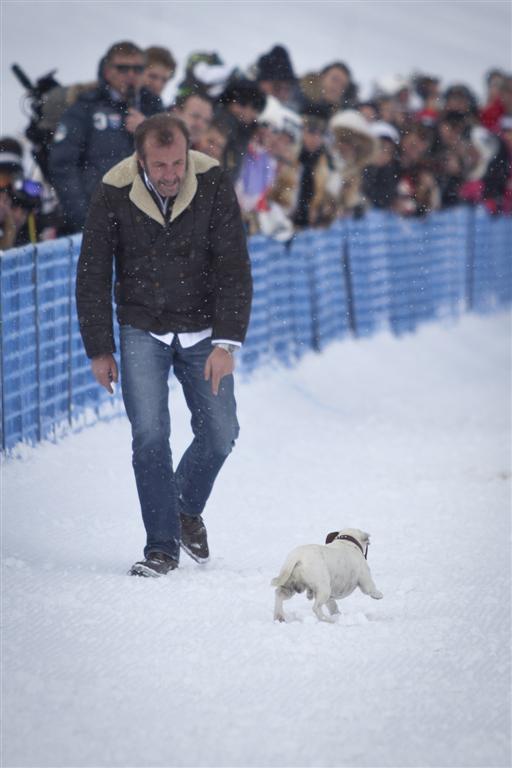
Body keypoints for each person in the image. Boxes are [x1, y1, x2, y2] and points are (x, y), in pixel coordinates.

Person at [76, 113, 252, 577]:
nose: (171, 174)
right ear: (141, 160)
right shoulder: (114, 190)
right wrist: (100, 348)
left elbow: (234, 265)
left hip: (203, 331)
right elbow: (93, 273)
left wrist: (226, 343)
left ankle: (183, 507)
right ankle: (161, 547)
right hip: (142, 326)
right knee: (150, 436)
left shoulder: (212, 181)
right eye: (160, 165)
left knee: (220, 433)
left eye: (177, 163)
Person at [48, 41, 162, 233]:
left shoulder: (154, 109)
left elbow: (176, 159)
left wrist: (149, 131)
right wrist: (85, 219)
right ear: (108, 71)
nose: (131, 75)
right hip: (97, 223)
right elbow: (63, 165)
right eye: (123, 68)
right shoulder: (85, 108)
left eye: (137, 69)